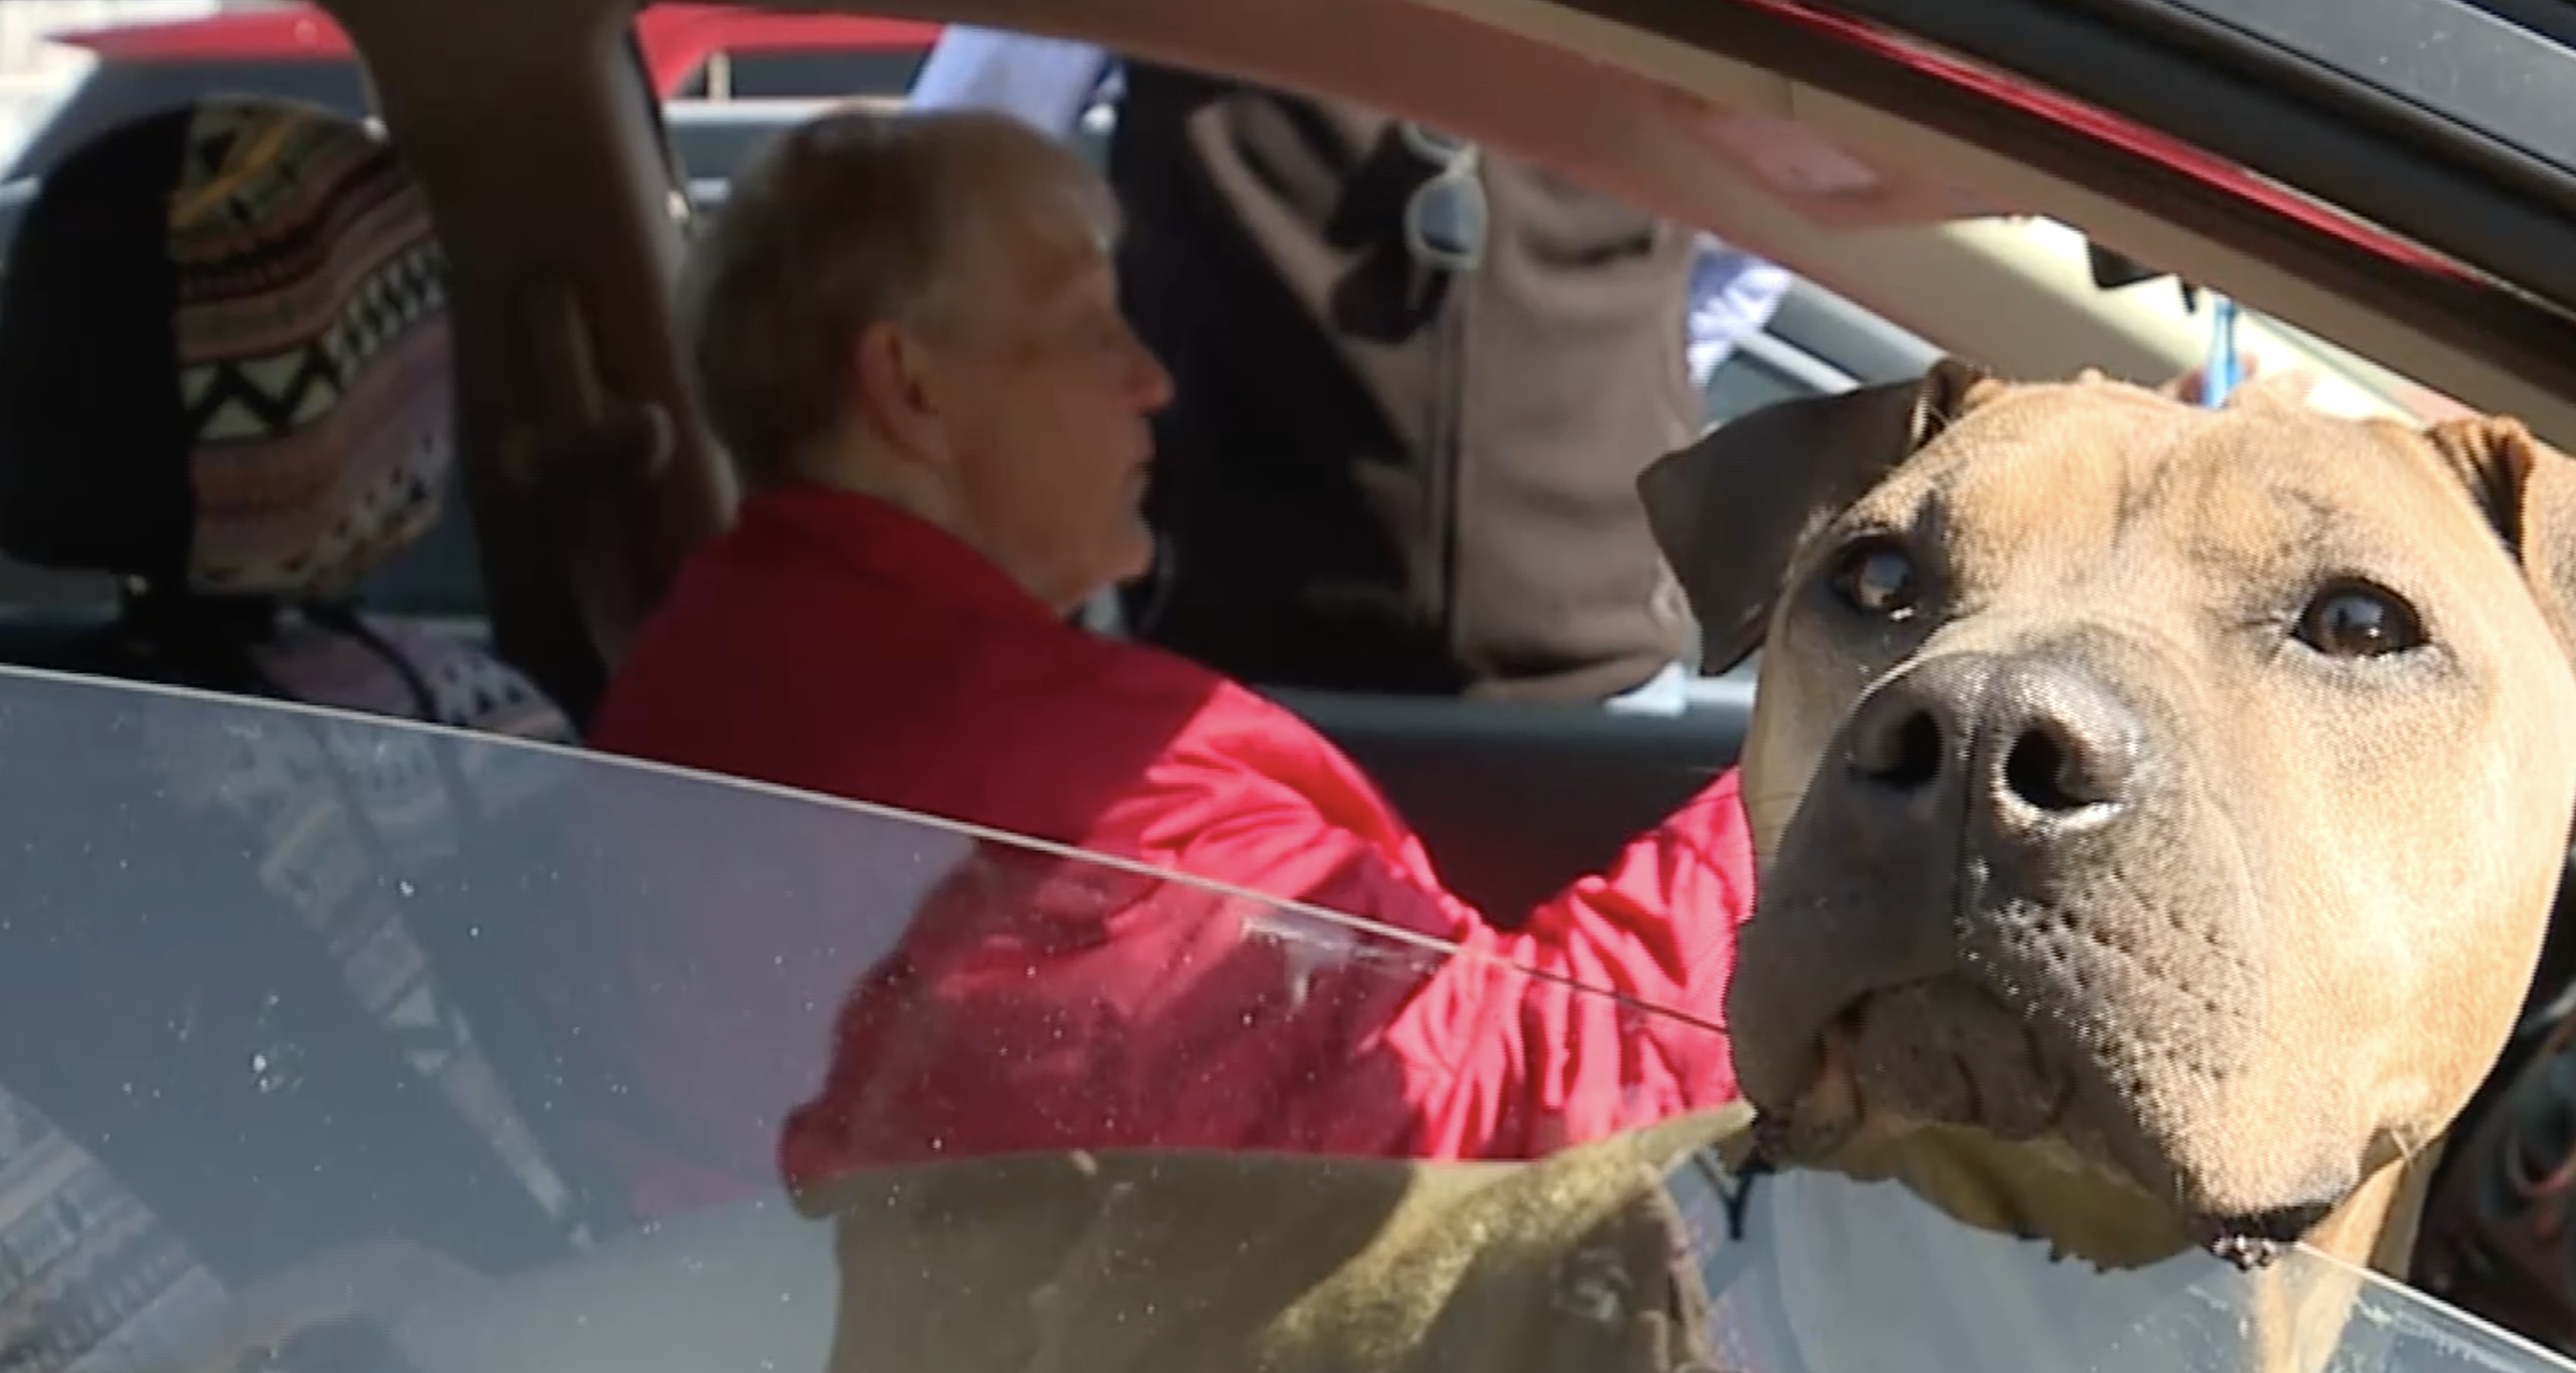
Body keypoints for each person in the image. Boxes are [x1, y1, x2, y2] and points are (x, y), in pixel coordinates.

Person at [574, 109, 1753, 1204]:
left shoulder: (708, 660)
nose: (1151, 379)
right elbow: (1517, 1116)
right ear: (911, 389)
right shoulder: (1074, 808)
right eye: (1090, 327)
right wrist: (1829, 785)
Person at [900, 30, 1792, 705]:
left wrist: (1640, 386)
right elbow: (949, 179)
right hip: (1232, 678)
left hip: (1602, 680)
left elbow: (1781, 206)